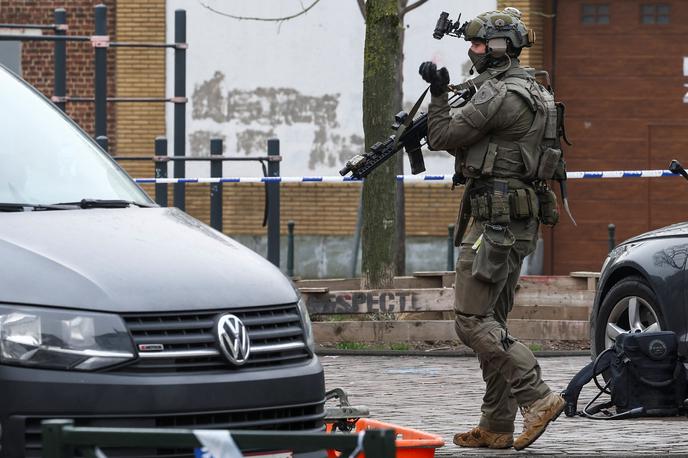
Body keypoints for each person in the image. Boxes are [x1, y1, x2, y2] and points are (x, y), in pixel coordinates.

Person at [419, 7, 565, 451]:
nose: (472, 50)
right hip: (517, 223)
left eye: (480, 44)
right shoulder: (535, 89)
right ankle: (497, 423)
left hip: (493, 221)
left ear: (501, 48)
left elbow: (442, 135)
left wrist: (439, 92)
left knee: (470, 321)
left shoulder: (500, 94)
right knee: (493, 321)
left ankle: (537, 396)